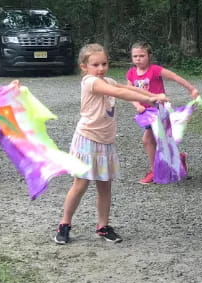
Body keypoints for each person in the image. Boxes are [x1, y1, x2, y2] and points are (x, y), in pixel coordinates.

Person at [54, 43, 168, 244]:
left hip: (106, 141)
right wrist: (151, 98)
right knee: (80, 184)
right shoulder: (90, 82)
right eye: (95, 65)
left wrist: (152, 96)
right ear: (84, 67)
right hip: (87, 139)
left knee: (105, 186)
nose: (100, 69)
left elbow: (126, 88)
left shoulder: (107, 80)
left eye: (104, 64)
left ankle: (103, 226)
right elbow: (120, 94)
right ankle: (64, 224)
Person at [126, 41, 199, 184]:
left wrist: (192, 89)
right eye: (135, 56)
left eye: (142, 55)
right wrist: (136, 105)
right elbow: (127, 91)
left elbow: (176, 77)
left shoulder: (155, 70)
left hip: (159, 110)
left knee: (148, 140)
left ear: (149, 56)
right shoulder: (131, 73)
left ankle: (154, 171)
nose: (138, 59)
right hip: (145, 113)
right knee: (160, 140)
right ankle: (179, 158)